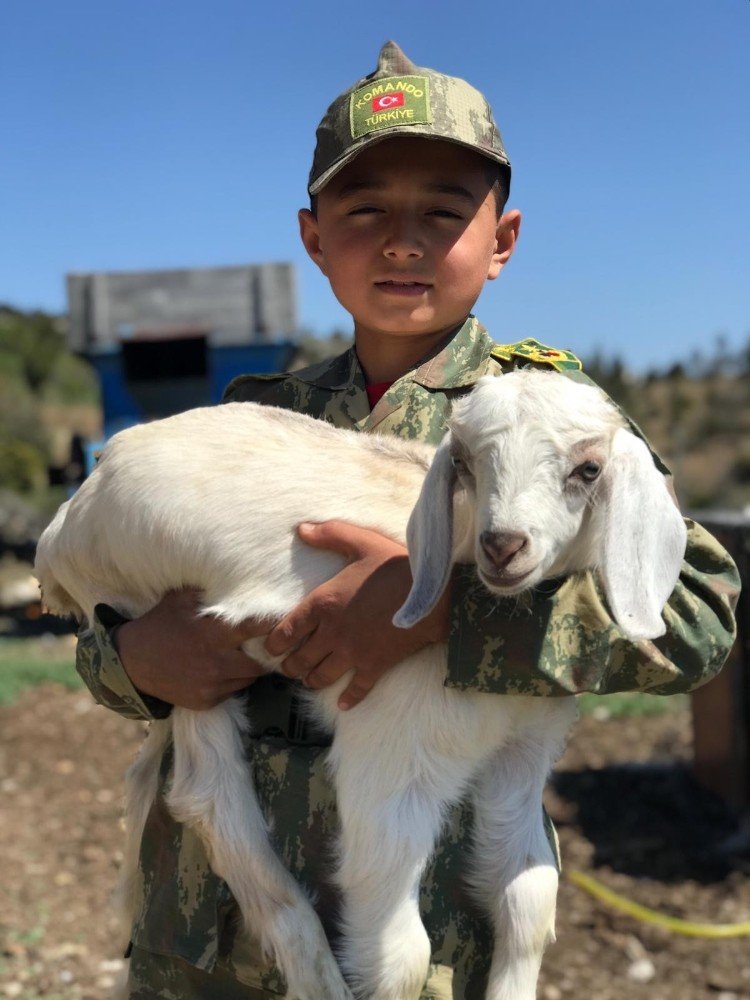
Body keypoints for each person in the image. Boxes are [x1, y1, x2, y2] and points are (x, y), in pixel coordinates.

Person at [75, 41, 740, 999]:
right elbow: (107, 617)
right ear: (312, 238)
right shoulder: (247, 427)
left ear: (502, 239)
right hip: (217, 939)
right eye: (365, 211)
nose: (402, 241)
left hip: (432, 946)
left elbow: (699, 617)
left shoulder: (559, 419)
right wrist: (136, 660)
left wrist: (443, 611)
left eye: (442, 211)